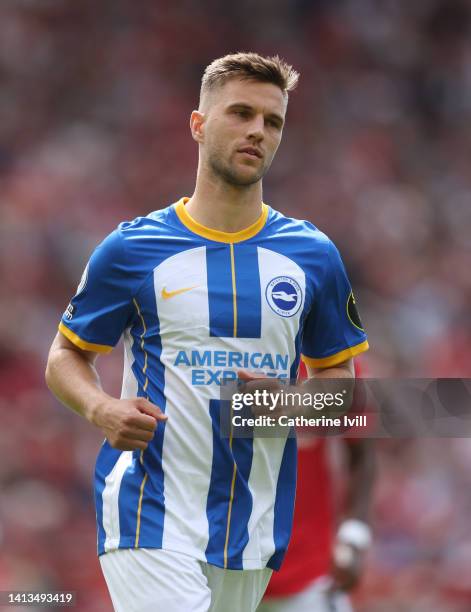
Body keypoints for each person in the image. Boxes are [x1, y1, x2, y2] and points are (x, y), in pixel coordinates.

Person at [45, 52, 369, 612]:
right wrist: (101, 409)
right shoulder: (131, 250)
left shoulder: (313, 257)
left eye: (272, 122)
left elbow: (341, 387)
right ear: (198, 124)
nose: (256, 131)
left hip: (253, 532)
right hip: (149, 512)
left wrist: (287, 406)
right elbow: (64, 357)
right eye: (240, 113)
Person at [258, 362, 375, 612]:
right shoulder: (220, 351)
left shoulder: (331, 358)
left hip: (308, 574)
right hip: (219, 570)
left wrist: (353, 535)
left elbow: (362, 455)